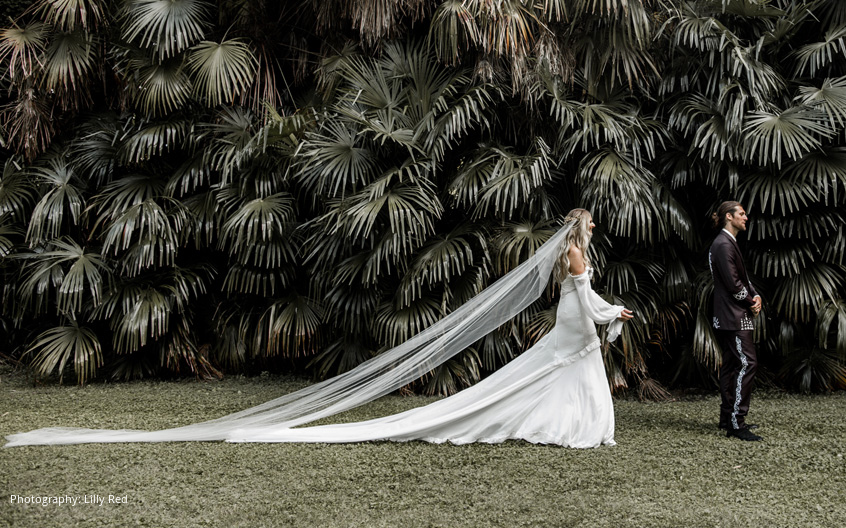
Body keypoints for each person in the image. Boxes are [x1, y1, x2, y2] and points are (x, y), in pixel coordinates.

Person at [5, 209, 633, 449]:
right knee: (534, 387)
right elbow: (582, 299)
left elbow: (585, 304)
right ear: (581, 233)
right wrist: (607, 315)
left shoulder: (573, 258)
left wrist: (604, 317)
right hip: (573, 330)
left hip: (574, 335)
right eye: (591, 230)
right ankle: (568, 427)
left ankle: (579, 425)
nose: (592, 237)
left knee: (568, 379)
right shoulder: (575, 258)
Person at [708, 200, 763, 441]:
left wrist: (756, 294)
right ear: (728, 217)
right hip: (733, 315)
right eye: (741, 213)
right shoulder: (722, 244)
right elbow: (733, 284)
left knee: (731, 366)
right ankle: (736, 422)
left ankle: (727, 417)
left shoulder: (728, 243)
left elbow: (743, 277)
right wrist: (751, 302)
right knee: (747, 364)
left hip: (732, 314)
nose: (746, 217)